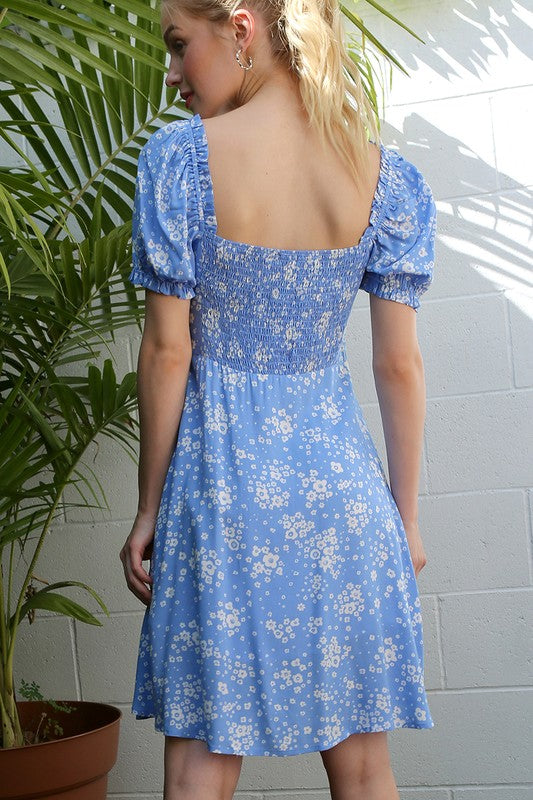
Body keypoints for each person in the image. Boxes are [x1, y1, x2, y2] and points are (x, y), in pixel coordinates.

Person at [119, 0, 437, 798]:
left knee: (199, 770)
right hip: (346, 503)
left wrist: (148, 510)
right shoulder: (385, 178)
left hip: (221, 500)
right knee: (365, 772)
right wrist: (404, 518)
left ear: (240, 25)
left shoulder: (181, 162)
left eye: (177, 45)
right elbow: (397, 366)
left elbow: (166, 351)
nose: (171, 74)